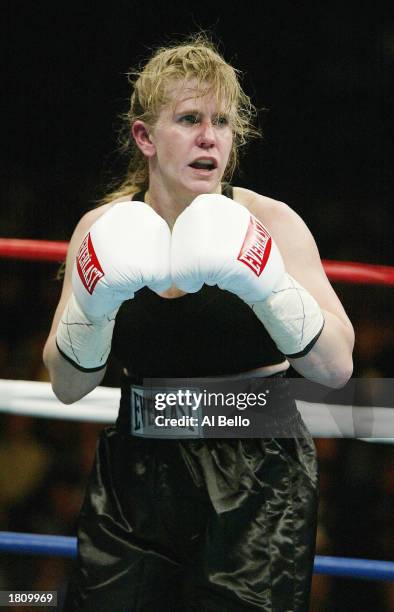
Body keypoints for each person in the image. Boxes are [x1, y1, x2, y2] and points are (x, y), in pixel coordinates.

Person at [43, 34, 354, 612]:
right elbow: (67, 385)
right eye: (189, 119)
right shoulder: (102, 229)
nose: (210, 136)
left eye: (222, 121)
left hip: (257, 474)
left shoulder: (270, 221)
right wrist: (92, 304)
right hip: (136, 467)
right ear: (145, 137)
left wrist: (268, 283)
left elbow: (337, 367)